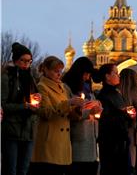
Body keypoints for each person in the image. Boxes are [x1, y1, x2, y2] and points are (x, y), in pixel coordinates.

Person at [29, 56, 85, 175]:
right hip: (49, 141)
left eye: (60, 71)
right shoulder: (42, 87)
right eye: (56, 71)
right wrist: (68, 103)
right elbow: (46, 112)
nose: (59, 74)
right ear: (46, 70)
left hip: (62, 143)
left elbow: (68, 113)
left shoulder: (63, 88)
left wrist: (78, 109)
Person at [1, 42, 41, 175]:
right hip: (12, 131)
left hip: (28, 131)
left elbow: (36, 103)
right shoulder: (7, 78)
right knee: (10, 169)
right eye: (22, 61)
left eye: (29, 61)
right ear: (15, 60)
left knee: (23, 170)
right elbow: (3, 106)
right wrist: (24, 106)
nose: (26, 64)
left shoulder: (31, 79)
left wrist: (37, 101)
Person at [62, 56, 102, 175]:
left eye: (89, 75)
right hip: (78, 136)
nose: (87, 77)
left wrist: (98, 106)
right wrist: (89, 112)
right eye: (85, 74)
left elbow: (93, 103)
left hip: (92, 137)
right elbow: (70, 112)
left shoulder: (88, 89)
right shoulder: (68, 88)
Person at [93, 64, 129, 175]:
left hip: (120, 140)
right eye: (116, 73)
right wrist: (124, 114)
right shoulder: (104, 95)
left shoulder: (116, 93)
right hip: (110, 143)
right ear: (107, 76)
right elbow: (105, 119)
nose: (118, 76)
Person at [118, 68, 137, 175]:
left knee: (128, 158)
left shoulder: (127, 93)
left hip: (128, 130)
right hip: (131, 130)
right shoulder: (136, 92)